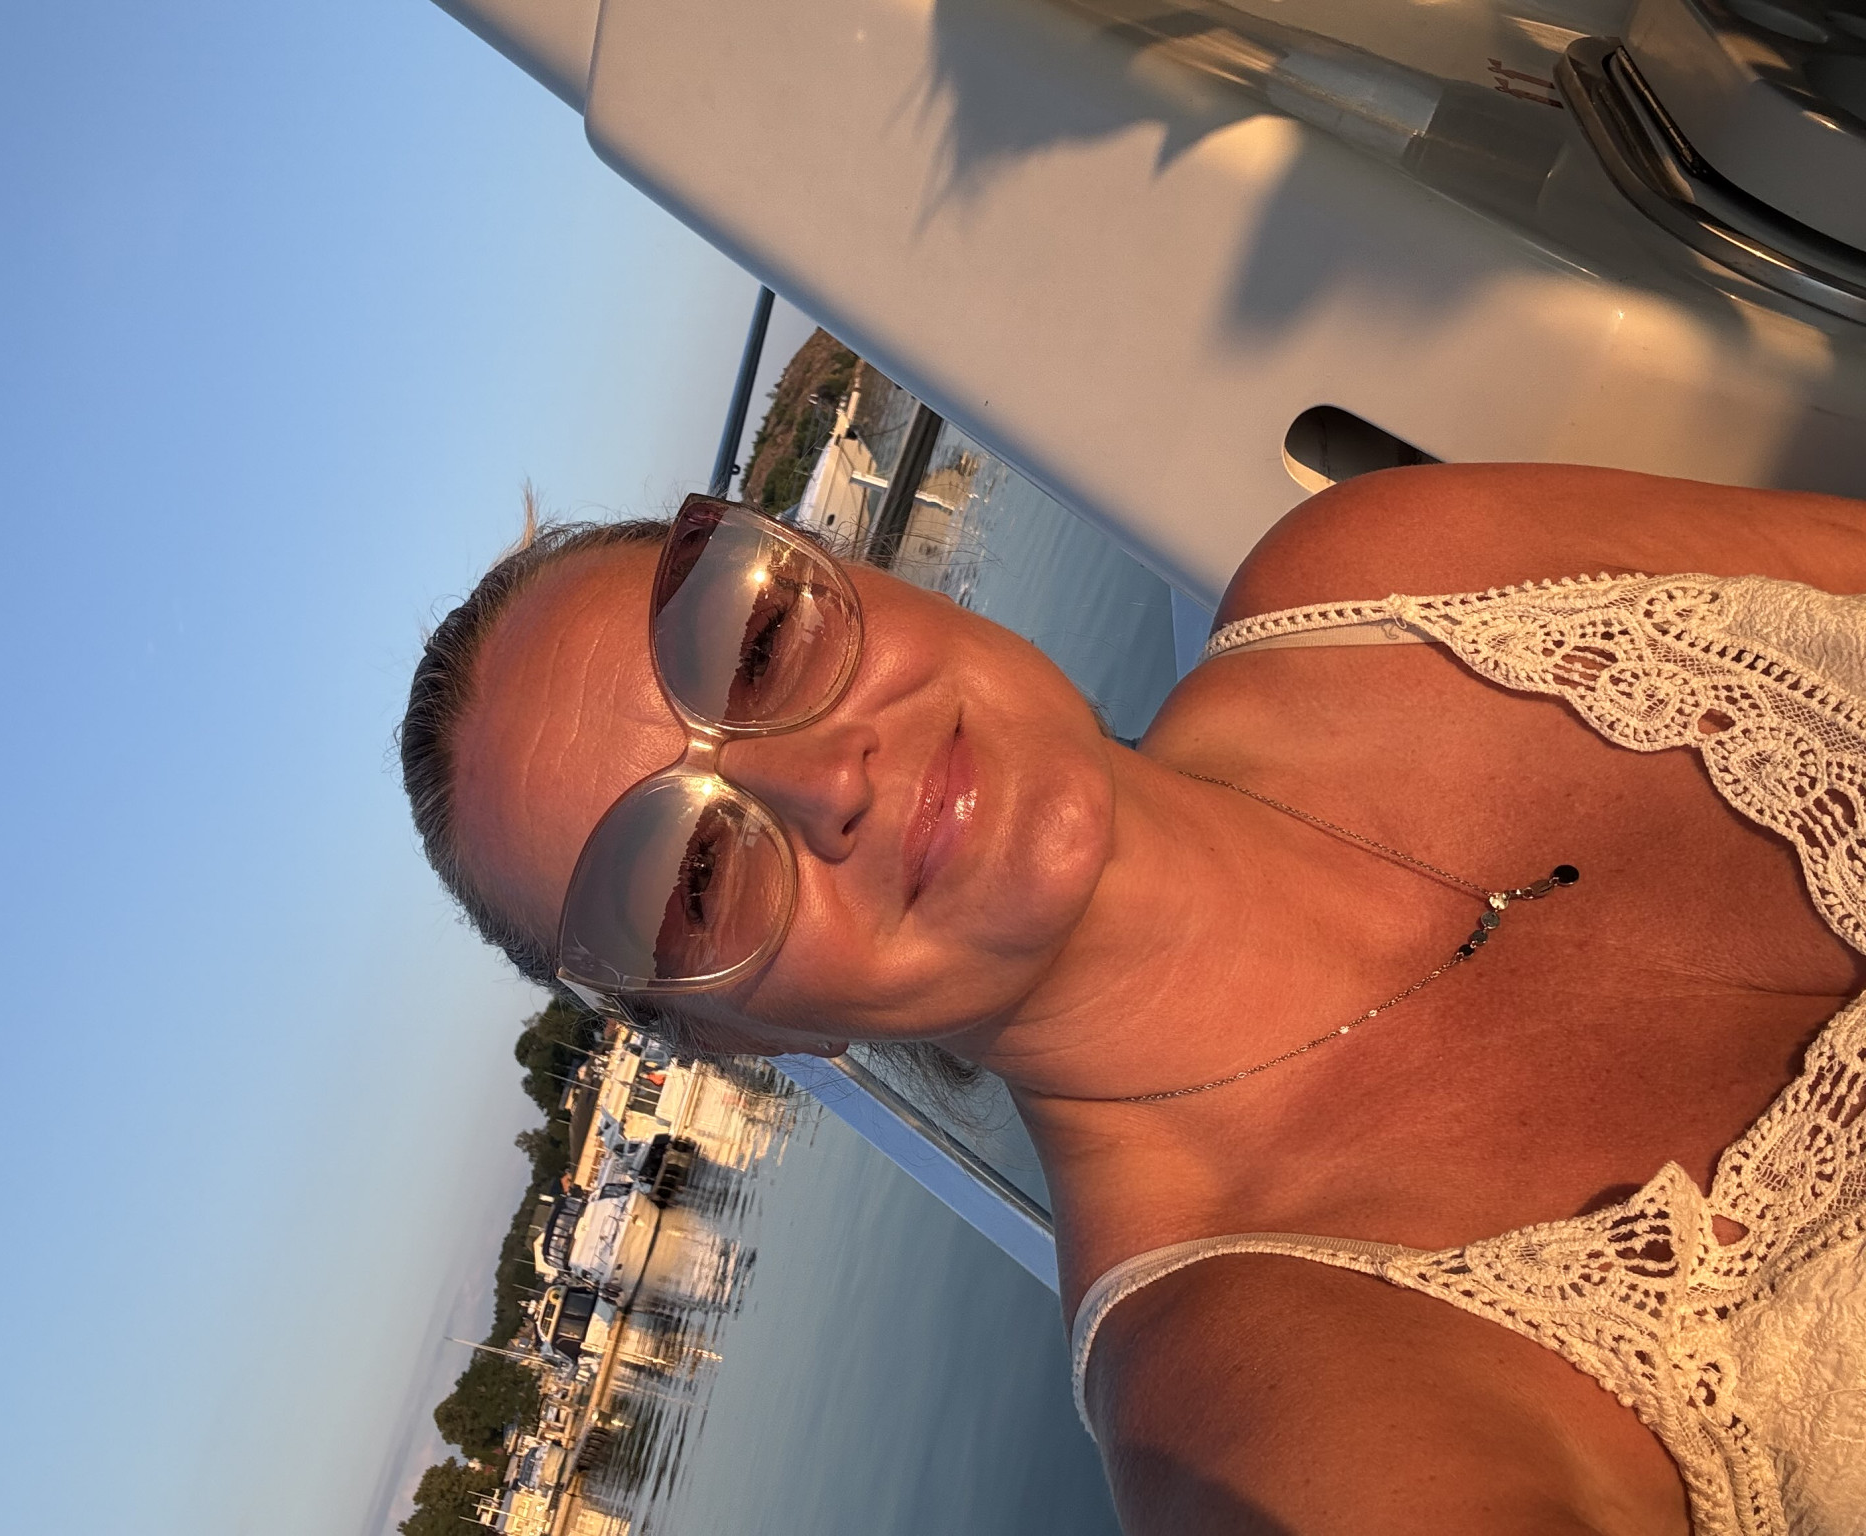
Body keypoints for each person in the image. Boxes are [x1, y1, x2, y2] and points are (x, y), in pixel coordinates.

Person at [399, 463, 1866, 1536]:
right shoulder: (1260, 1401)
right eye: (698, 874)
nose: (827, 776)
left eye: (758, 648)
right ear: (745, 1033)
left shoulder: (1380, 570)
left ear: (845, 569)